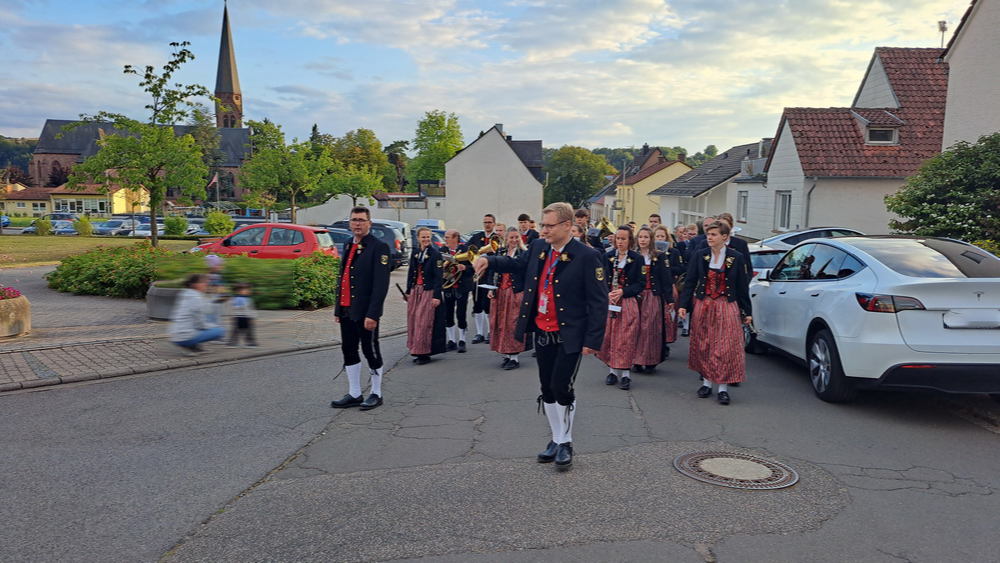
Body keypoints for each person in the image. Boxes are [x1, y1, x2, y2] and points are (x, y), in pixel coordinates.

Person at [473, 202, 607, 471]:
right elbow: (516, 264)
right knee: (547, 388)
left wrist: (592, 340)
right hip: (542, 331)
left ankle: (566, 442)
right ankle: (556, 439)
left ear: (567, 226)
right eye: (543, 225)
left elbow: (598, 301)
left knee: (561, 387)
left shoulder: (587, 256)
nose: (543, 230)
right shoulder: (538, 247)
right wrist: (489, 260)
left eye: (549, 226)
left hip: (570, 334)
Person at [678, 221, 753, 406]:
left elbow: (742, 287)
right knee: (705, 344)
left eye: (714, 234)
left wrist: (747, 312)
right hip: (704, 304)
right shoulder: (700, 254)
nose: (709, 237)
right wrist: (683, 305)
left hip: (726, 305)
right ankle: (706, 383)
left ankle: (722, 389)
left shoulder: (736, 257)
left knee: (725, 347)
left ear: (724, 237)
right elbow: (690, 281)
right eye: (708, 234)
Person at [331, 206, 391, 411]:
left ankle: (376, 393)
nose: (357, 224)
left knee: (370, 350)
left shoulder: (379, 247)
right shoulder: (348, 244)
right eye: (354, 220)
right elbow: (343, 277)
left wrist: (373, 314)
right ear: (349, 223)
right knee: (348, 349)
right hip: (347, 308)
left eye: (361, 220)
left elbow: (380, 285)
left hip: (366, 311)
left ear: (369, 223)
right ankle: (355, 393)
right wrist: (338, 309)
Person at [596, 225, 644, 391]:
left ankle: (626, 374)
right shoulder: (607, 256)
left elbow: (640, 283)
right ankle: (612, 371)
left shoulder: (637, 259)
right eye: (618, 238)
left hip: (627, 302)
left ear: (630, 240)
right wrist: (607, 292)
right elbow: (600, 279)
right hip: (610, 301)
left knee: (626, 337)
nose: (620, 242)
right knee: (610, 336)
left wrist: (624, 291)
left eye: (624, 239)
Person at [633, 227, 674, 372]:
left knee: (650, 329)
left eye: (646, 237)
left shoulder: (659, 256)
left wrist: (670, 299)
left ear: (651, 239)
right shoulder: (633, 255)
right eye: (640, 237)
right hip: (636, 295)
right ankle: (636, 360)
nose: (643, 240)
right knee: (636, 328)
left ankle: (650, 360)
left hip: (652, 295)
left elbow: (666, 279)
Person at [488, 227, 528, 370]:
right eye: (511, 237)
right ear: (506, 238)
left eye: (516, 237)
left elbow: (527, 274)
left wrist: (526, 292)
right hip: (500, 292)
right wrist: (491, 288)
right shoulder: (501, 251)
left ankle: (514, 358)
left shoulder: (523, 253)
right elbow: (492, 270)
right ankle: (506, 354)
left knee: (513, 324)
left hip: (515, 292)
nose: (514, 240)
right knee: (501, 323)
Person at [405, 227, 446, 365]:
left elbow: (438, 277)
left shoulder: (435, 254)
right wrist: (408, 291)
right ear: (418, 238)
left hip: (428, 291)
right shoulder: (415, 252)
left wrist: (436, 296)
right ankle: (416, 350)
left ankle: (424, 353)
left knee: (423, 322)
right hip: (415, 290)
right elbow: (411, 272)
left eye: (428, 237)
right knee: (413, 320)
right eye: (423, 237)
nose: (426, 239)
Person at [168, 273, 225, 356]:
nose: (206, 284)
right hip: (185, 337)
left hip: (175, 335)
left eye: (206, 282)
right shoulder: (196, 298)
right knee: (220, 330)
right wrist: (212, 326)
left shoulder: (185, 294)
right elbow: (200, 323)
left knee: (206, 321)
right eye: (203, 282)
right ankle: (189, 345)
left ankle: (194, 347)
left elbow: (206, 310)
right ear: (194, 284)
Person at [468, 214, 500, 345]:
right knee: (477, 305)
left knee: (487, 305)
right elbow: (469, 251)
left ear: (494, 224)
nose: (487, 224)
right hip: (477, 275)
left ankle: (490, 332)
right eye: (485, 222)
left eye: (490, 222)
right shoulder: (476, 237)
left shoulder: (497, 238)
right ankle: (479, 333)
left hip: (489, 275)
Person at [441, 229, 473, 353]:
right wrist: (442, 268)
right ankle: (451, 340)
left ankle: (462, 340)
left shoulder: (466, 250)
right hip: (448, 286)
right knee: (448, 314)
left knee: (461, 313)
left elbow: (474, 267)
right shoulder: (442, 251)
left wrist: (465, 268)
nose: (445, 240)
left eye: (447, 237)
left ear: (455, 238)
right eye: (445, 237)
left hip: (462, 286)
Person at [654, 225, 683, 351]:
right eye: (657, 236)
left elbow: (680, 268)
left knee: (667, 316)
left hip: (669, 285)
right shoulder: (650, 252)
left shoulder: (674, 252)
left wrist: (666, 268)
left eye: (662, 236)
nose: (660, 238)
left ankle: (666, 342)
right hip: (655, 287)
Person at [226, 282, 258, 348]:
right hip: (241, 317)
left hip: (243, 317)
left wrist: (253, 317)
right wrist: (231, 316)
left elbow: (251, 309)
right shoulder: (237, 299)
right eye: (247, 289)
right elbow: (232, 308)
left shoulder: (245, 299)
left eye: (249, 289)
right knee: (236, 330)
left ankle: (250, 342)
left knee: (248, 331)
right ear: (239, 291)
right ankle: (233, 342)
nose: (249, 291)